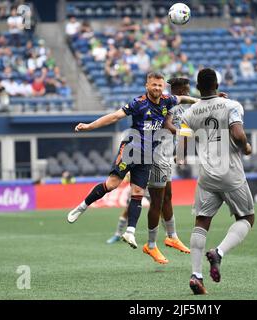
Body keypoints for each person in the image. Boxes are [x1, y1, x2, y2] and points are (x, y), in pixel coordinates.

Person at [67, 72, 198, 249]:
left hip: (147, 156)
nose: (157, 88)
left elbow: (183, 98)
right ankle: (82, 207)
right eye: (154, 85)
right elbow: (114, 116)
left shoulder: (168, 101)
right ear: (147, 86)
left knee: (137, 193)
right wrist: (89, 126)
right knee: (112, 184)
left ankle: (130, 232)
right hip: (130, 149)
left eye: (160, 85)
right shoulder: (138, 103)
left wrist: (205, 100)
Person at [179, 68, 254, 295]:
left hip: (207, 175)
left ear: (198, 88)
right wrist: (247, 147)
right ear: (217, 85)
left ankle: (196, 275)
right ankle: (218, 252)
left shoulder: (189, 113)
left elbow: (181, 146)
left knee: (201, 222)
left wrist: (180, 156)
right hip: (230, 173)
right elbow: (239, 135)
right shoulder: (232, 105)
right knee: (247, 217)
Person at [142, 78, 192, 264]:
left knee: (167, 197)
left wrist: (180, 153)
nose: (188, 92)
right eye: (185, 90)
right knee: (157, 201)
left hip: (164, 156)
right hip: (155, 156)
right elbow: (166, 125)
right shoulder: (169, 103)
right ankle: (151, 245)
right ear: (177, 90)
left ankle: (172, 236)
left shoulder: (182, 108)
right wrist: (181, 133)